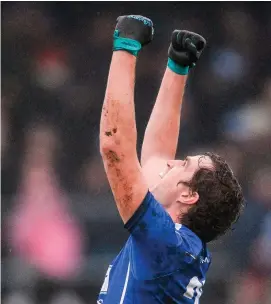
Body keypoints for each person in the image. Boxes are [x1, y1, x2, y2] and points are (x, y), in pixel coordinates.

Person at [98, 15, 244, 304]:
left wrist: (125, 48)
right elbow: (156, 157)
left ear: (189, 195)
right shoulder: (180, 246)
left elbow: (115, 147)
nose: (171, 163)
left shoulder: (166, 245)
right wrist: (177, 68)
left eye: (182, 165)